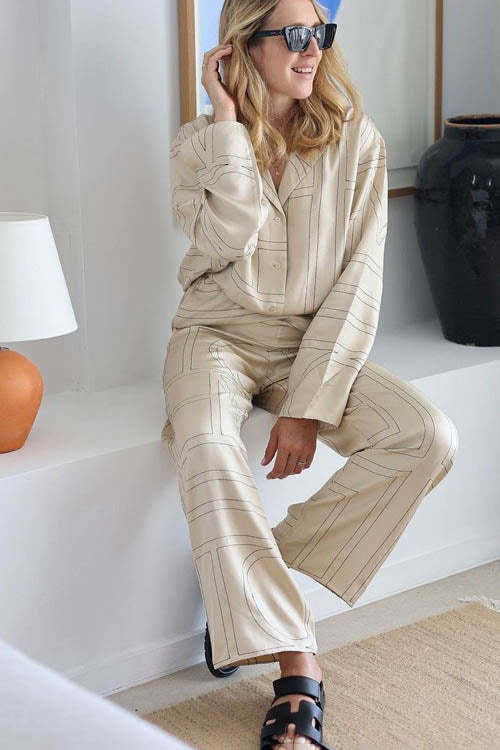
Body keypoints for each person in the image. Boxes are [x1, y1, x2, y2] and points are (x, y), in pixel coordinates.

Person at [162, 1, 459, 748]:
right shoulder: (199, 144)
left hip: (310, 342)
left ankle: (243, 575)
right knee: (204, 444)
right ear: (243, 46)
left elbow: (360, 281)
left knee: (425, 436)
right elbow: (224, 236)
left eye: (321, 33)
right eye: (295, 35)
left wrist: (306, 404)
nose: (313, 49)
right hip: (215, 335)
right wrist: (227, 123)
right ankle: (299, 669)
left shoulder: (357, 141)